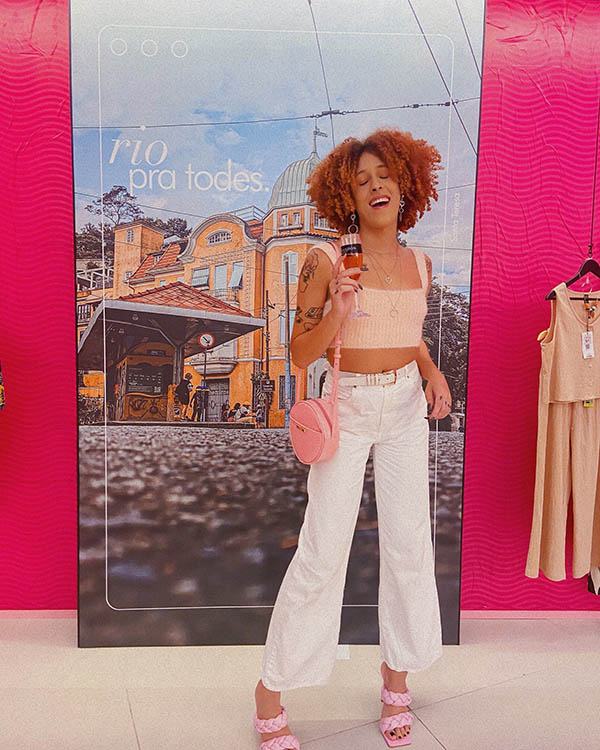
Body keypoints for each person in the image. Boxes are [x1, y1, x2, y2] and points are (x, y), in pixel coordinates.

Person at [253, 128, 452, 750]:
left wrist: (431, 368)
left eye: (385, 175)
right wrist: (337, 312)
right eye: (362, 179)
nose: (376, 186)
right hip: (351, 408)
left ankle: (396, 681)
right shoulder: (328, 261)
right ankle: (271, 690)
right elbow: (299, 350)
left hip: (405, 411)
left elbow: (408, 329)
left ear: (407, 184)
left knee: (408, 545)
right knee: (322, 549)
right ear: (347, 194)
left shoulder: (420, 263)